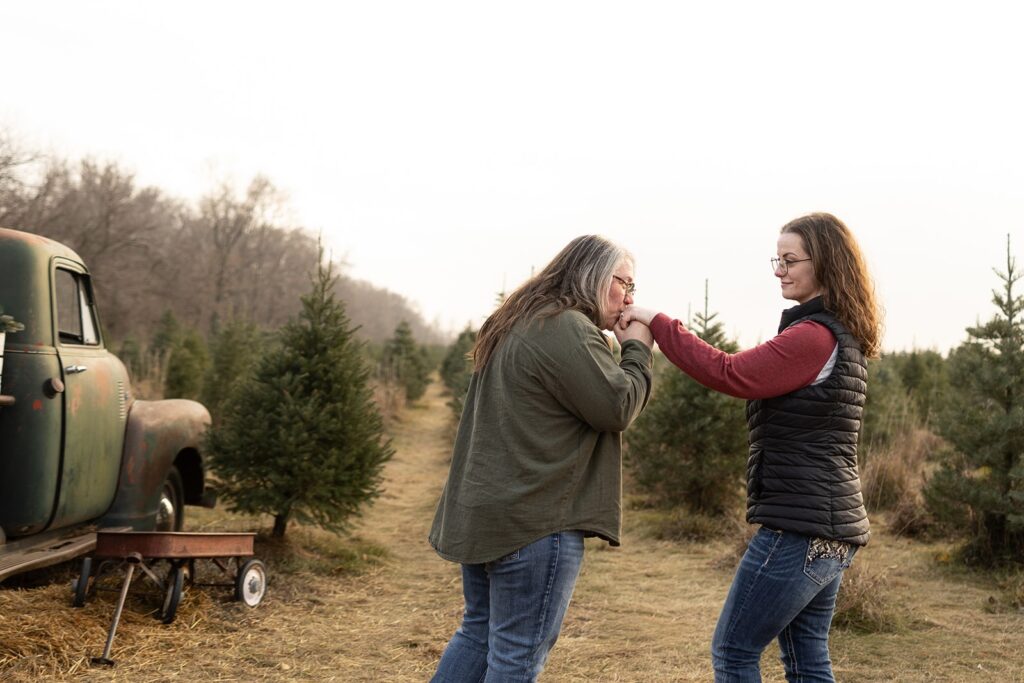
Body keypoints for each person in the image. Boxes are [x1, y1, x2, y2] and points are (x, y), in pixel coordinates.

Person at [620, 212, 882, 683]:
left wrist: (656, 323)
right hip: (830, 527)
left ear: (824, 262)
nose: (779, 269)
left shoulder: (813, 336)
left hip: (798, 528)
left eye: (790, 259)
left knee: (734, 651)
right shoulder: (840, 336)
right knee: (807, 658)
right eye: (776, 260)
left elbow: (730, 372)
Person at [429, 234, 654, 682]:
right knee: (515, 658)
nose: (629, 297)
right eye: (622, 283)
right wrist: (638, 346)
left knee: (478, 635)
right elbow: (616, 406)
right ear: (592, 275)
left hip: (489, 515)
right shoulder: (565, 327)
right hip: (535, 524)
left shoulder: (516, 320)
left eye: (634, 288)